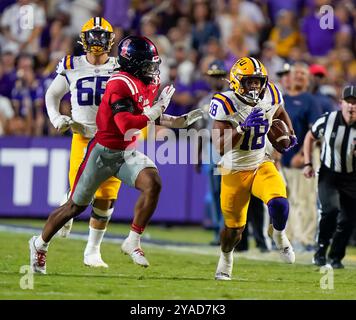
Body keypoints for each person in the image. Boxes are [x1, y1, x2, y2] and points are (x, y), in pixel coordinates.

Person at [29, 35, 202, 274]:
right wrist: (158, 109)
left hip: (127, 152)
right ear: (132, 63)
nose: (153, 68)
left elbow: (144, 112)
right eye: (147, 63)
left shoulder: (146, 80)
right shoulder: (119, 83)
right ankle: (40, 244)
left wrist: (177, 121)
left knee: (153, 183)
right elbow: (127, 123)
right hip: (102, 152)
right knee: (74, 207)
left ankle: (133, 240)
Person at [209, 57, 297, 280]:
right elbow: (220, 146)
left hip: (260, 163)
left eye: (258, 81)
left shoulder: (272, 94)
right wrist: (241, 127)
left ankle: (278, 235)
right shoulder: (224, 103)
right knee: (233, 230)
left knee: (279, 201)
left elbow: (280, 113)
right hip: (233, 170)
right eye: (250, 82)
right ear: (238, 82)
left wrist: (290, 132)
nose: (255, 86)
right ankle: (226, 260)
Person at [45, 17, 120, 268]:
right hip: (84, 136)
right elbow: (52, 94)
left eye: (102, 36)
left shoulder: (121, 67)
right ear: (83, 39)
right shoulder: (72, 64)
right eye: (93, 36)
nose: (97, 41)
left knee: (106, 197)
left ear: (110, 40)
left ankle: (92, 250)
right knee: (81, 198)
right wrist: (56, 117)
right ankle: (69, 201)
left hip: (113, 138)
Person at [303, 85, 356, 269]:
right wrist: (308, 163)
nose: (352, 106)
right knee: (331, 211)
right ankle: (320, 250)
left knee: (348, 220)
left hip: (352, 176)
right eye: (349, 102)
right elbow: (309, 137)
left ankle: (336, 257)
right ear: (341, 103)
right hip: (329, 174)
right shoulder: (328, 120)